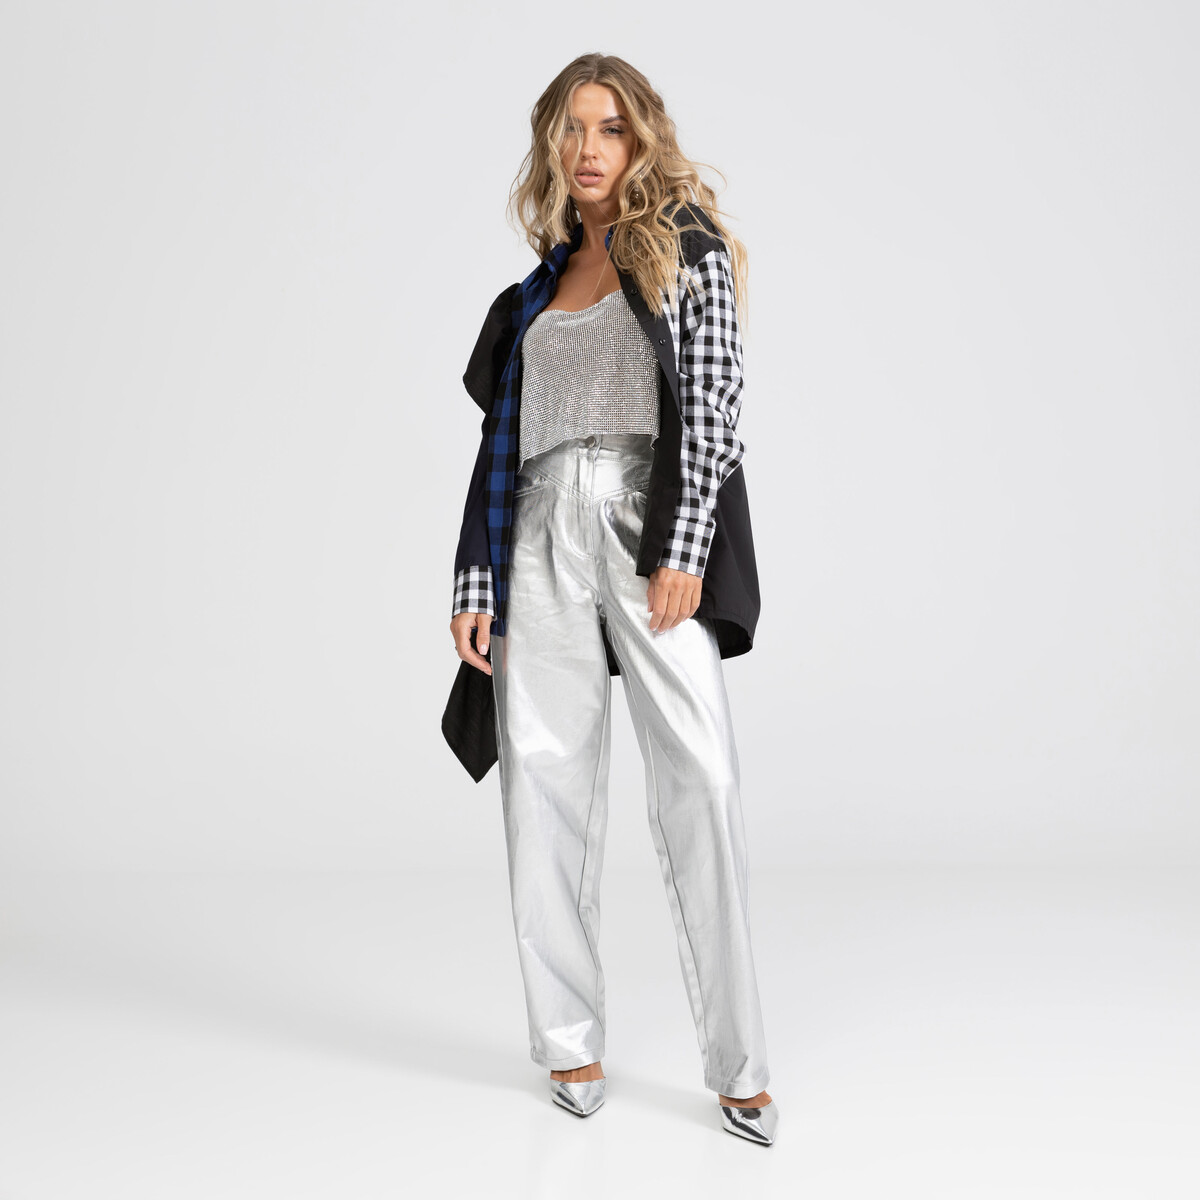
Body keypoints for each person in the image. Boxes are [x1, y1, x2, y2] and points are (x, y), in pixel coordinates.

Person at [446, 52, 778, 1146]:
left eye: (612, 128)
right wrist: (477, 577)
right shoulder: (534, 291)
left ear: (642, 140)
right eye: (572, 129)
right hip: (539, 531)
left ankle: (740, 1066)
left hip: (646, 522)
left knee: (703, 783)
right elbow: (500, 444)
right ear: (552, 144)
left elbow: (716, 403)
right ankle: (567, 1041)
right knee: (541, 787)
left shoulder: (683, 247)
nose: (589, 149)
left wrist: (684, 546)